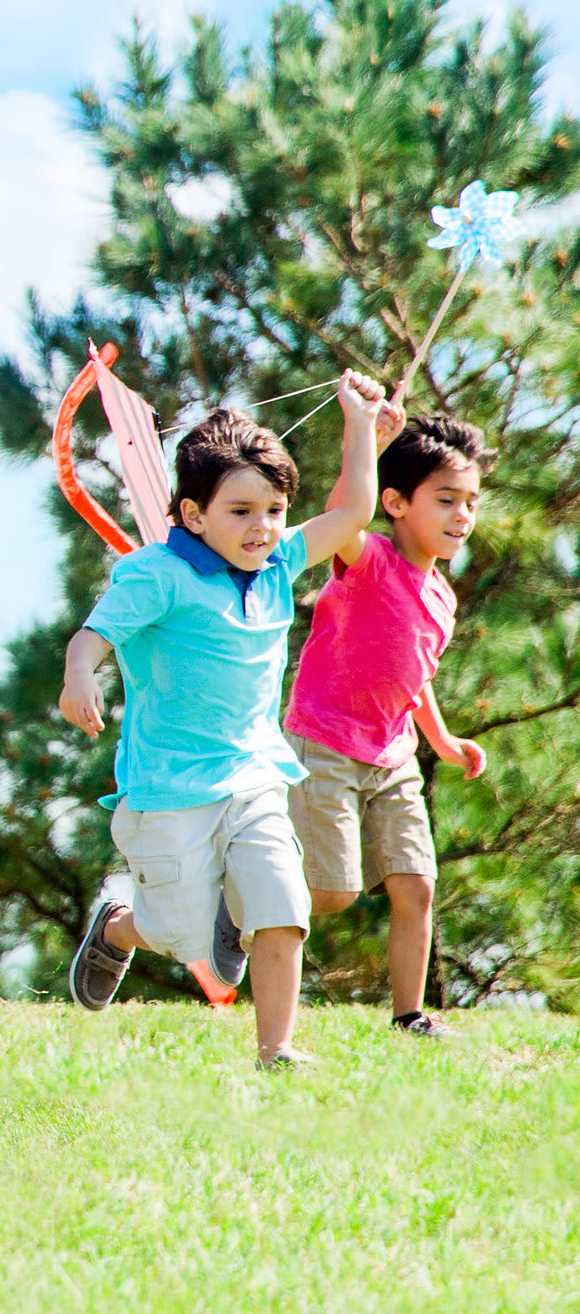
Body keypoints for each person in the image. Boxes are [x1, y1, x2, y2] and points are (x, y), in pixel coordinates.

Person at [60, 376, 390, 1071]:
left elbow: (355, 510)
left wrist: (361, 425)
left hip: (254, 777)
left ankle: (276, 1052)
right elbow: (92, 635)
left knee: (283, 905)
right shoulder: (156, 574)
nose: (262, 527)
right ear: (192, 512)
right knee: (178, 936)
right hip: (169, 790)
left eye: (274, 509)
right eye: (241, 510)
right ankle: (119, 930)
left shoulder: (275, 566)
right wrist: (79, 674)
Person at [284, 412, 491, 1038]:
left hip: (392, 756)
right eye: (446, 499)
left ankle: (410, 1016)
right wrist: (363, 438)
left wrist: (441, 739)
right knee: (332, 894)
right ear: (395, 501)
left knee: (416, 885)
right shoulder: (368, 558)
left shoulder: (442, 599)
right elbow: (341, 516)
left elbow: (414, 672)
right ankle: (232, 905)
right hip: (324, 743)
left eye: (471, 502)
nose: (462, 515)